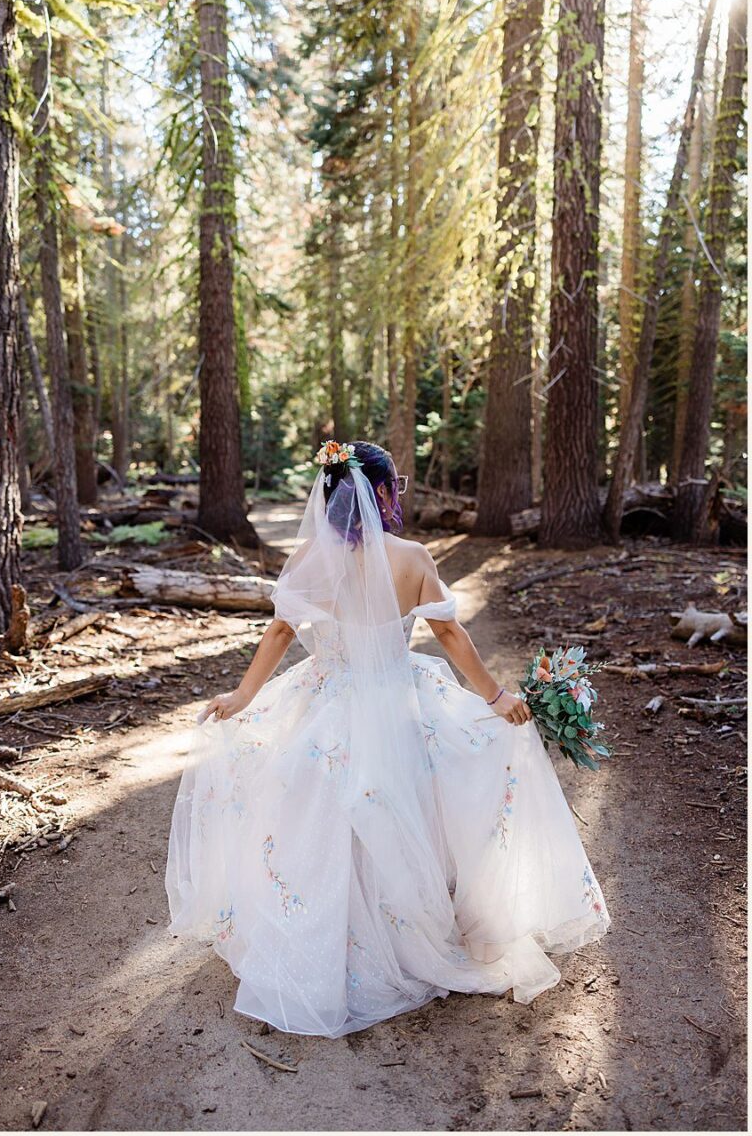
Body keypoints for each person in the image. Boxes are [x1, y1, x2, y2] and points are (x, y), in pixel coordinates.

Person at [167, 439, 610, 1037]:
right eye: (394, 485)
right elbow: (449, 636)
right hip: (398, 698)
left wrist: (243, 697)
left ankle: (334, 929)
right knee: (414, 796)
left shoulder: (308, 559)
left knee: (318, 805)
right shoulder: (412, 557)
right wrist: (495, 698)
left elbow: (279, 633)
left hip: (328, 699)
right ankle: (403, 924)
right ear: (380, 492)